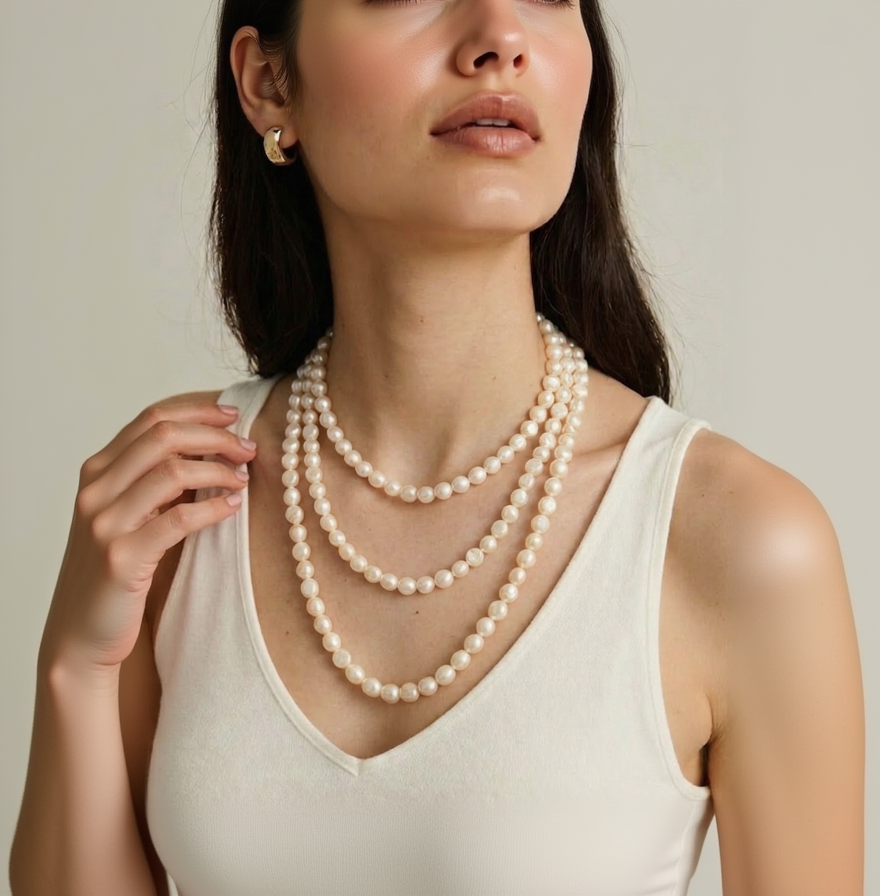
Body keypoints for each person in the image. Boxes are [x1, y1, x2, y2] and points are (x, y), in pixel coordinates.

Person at [9, 1, 865, 894]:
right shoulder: (178, 498)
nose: (500, 36)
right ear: (270, 84)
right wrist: (77, 666)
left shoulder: (737, 542)